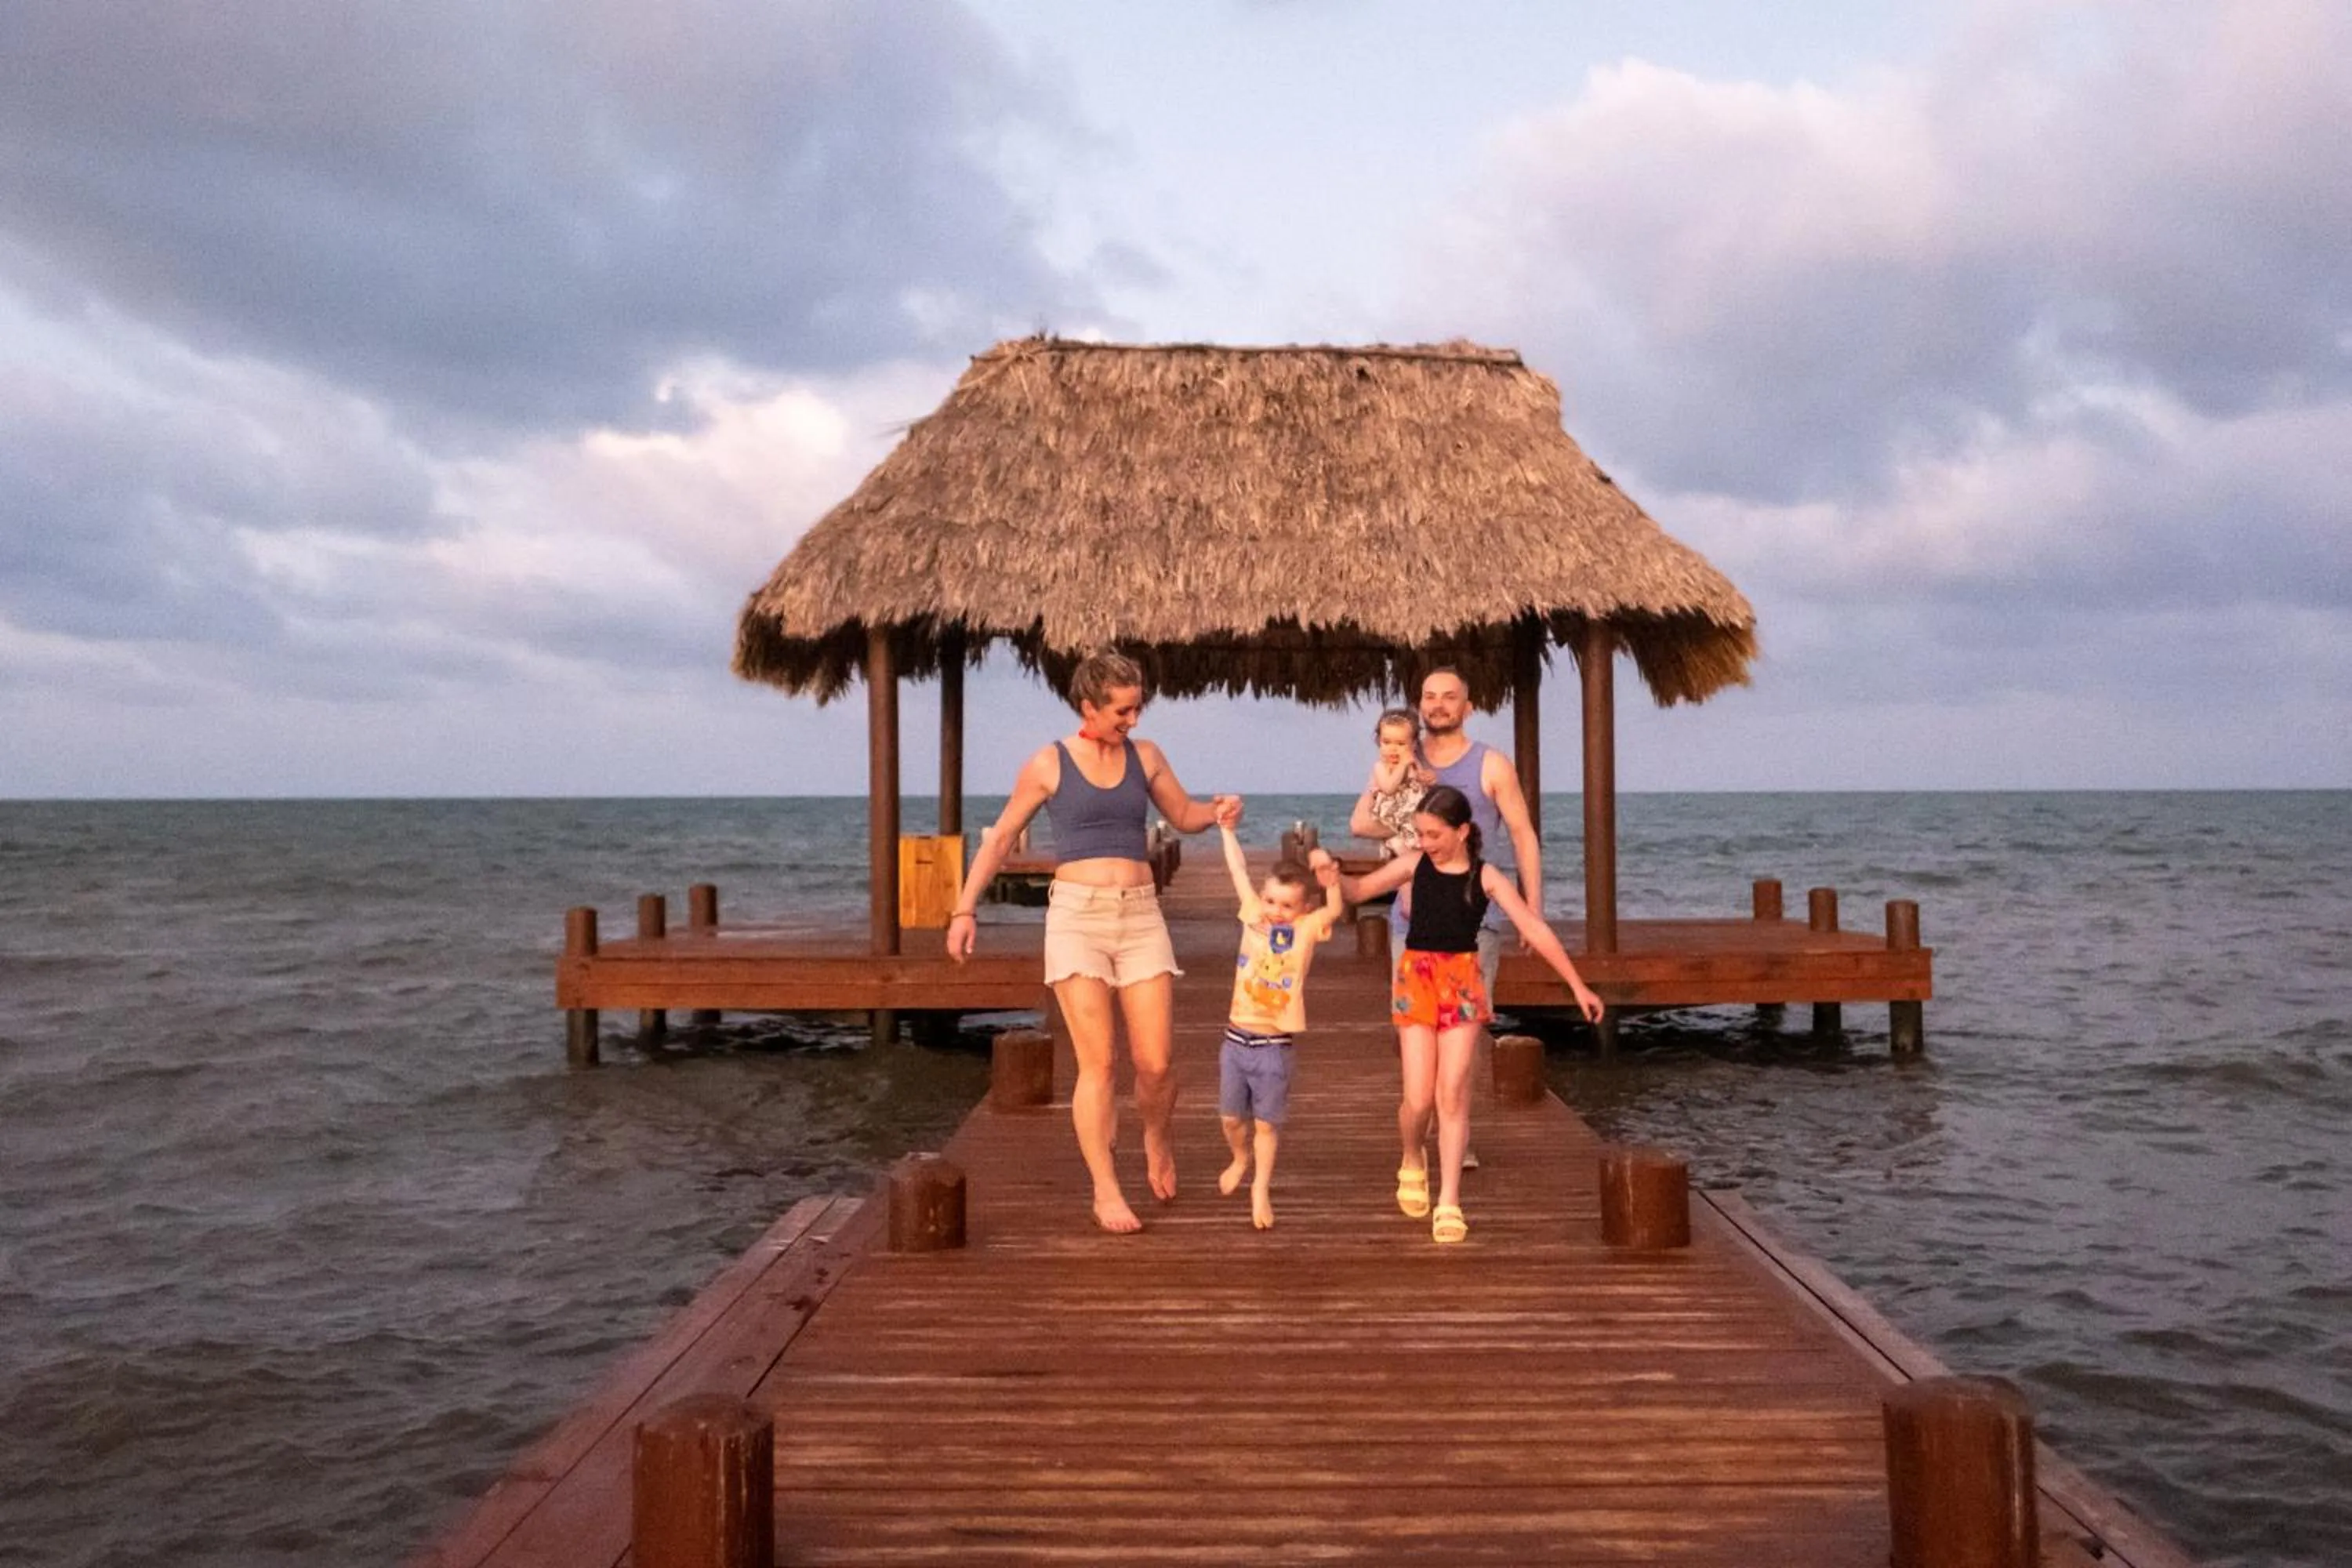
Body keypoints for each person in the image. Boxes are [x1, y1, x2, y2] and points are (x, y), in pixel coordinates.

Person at [946, 651, 1236, 1233]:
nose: (1133, 719)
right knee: (1098, 1063)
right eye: (1123, 710)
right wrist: (963, 907)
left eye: (1138, 708)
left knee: (1155, 1064)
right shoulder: (1049, 764)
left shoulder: (1145, 756)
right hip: (1076, 919)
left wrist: (1218, 810)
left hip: (1140, 915)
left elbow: (1182, 815)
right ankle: (1105, 1189)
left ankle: (1156, 1135)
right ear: (1089, 707)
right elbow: (1002, 836)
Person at [1341, 786, 1604, 1244]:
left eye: (1434, 834)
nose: (1425, 842)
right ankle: (1410, 1156)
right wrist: (1330, 876)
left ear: (1462, 832)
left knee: (1453, 1093)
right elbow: (1359, 889)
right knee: (1418, 1098)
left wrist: (1577, 984)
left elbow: (1533, 928)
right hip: (1416, 979)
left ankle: (1449, 1201)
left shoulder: (1485, 877)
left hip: (1461, 983)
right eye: (1420, 834)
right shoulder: (1412, 866)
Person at [1211, 809, 1345, 1230]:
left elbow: (1334, 910)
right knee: (1231, 1119)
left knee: (1267, 1125)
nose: (1275, 910)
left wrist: (1331, 882)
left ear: (1303, 908)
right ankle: (1239, 1157)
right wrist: (1227, 832)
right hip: (1236, 1041)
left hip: (1274, 1047)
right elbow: (1237, 870)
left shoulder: (1306, 929)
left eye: (1286, 905)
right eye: (1271, 901)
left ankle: (1260, 1188)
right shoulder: (1252, 915)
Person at [1363, 708, 1426, 859]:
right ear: (1379, 742)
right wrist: (1402, 766)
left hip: (1412, 818)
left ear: (1413, 745)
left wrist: (1425, 777)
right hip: (1392, 820)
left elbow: (1421, 782)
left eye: (1401, 744)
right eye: (1387, 742)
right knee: (1403, 853)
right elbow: (1389, 788)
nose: (1393, 748)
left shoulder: (1412, 762)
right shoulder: (1380, 767)